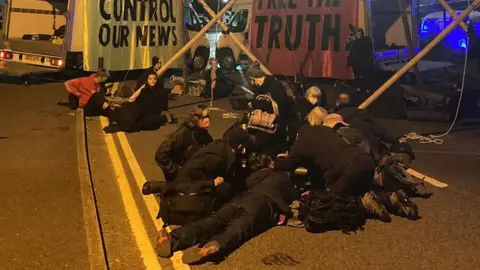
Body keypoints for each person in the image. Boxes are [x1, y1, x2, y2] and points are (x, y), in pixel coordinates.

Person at [155, 154, 298, 265]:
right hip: (261, 206)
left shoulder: (257, 176)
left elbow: (246, 183)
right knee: (237, 229)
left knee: (213, 220)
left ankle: (173, 238)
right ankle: (215, 246)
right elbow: (292, 199)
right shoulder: (283, 179)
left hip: (240, 200)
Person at [153, 127, 256, 226]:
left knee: (229, 185)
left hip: (196, 181)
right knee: (226, 189)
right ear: (239, 146)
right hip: (190, 188)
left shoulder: (224, 147)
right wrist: (211, 182)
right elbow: (191, 168)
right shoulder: (217, 157)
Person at [334, 92, 406, 162]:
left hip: (347, 156)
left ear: (337, 103)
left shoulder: (333, 118)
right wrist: (395, 140)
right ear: (349, 101)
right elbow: (380, 131)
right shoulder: (362, 113)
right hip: (371, 152)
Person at [155, 105, 213, 182]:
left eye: (208, 117)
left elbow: (211, 147)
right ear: (197, 119)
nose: (208, 120)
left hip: (195, 171)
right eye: (205, 117)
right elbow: (161, 155)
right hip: (184, 177)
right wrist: (176, 171)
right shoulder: (182, 134)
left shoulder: (202, 132)